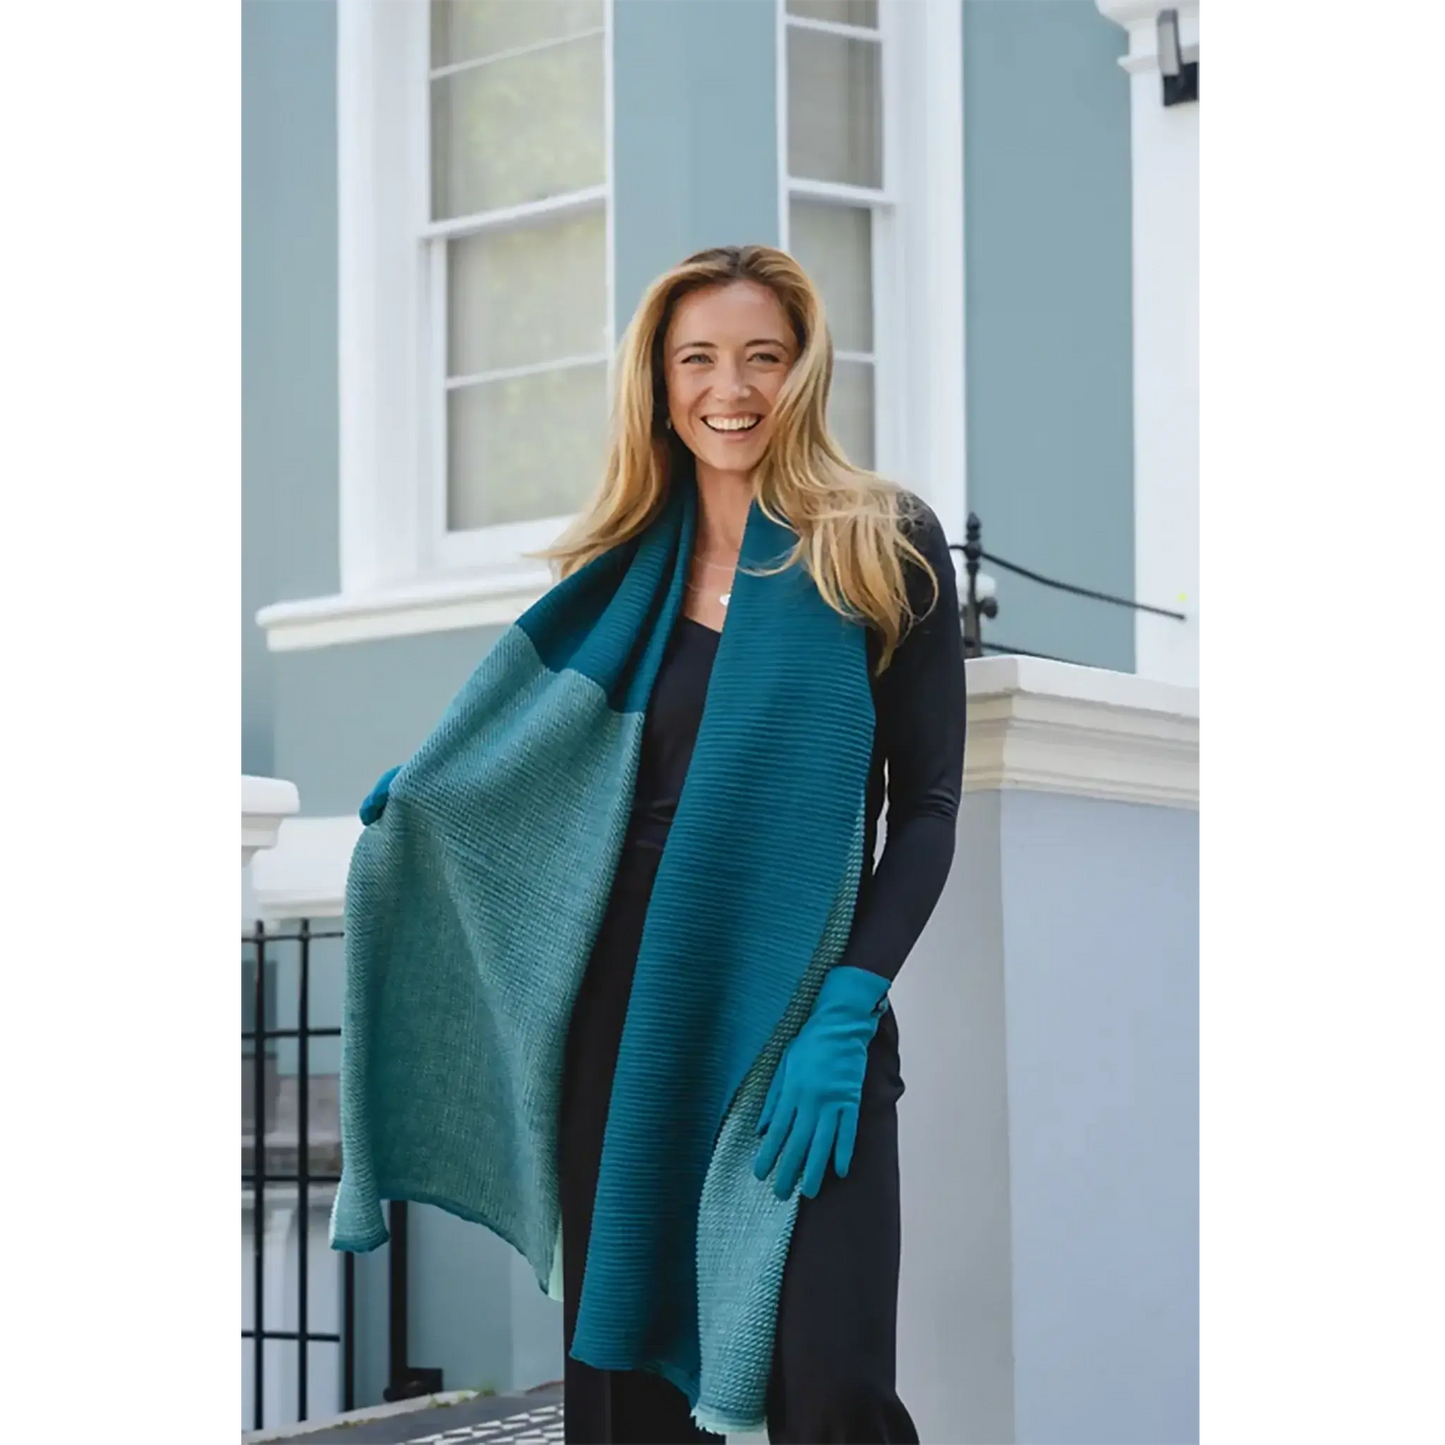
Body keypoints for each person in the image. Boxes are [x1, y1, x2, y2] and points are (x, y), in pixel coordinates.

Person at [336, 245, 966, 1445]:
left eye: (761, 358)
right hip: (622, 1018)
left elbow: (925, 806)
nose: (730, 389)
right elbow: (546, 777)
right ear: (660, 384)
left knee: (831, 1384)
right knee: (631, 1399)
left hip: (801, 1019)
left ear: (803, 372)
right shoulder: (624, 573)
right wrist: (427, 812)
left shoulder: (875, 543)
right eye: (699, 361)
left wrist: (849, 1006)